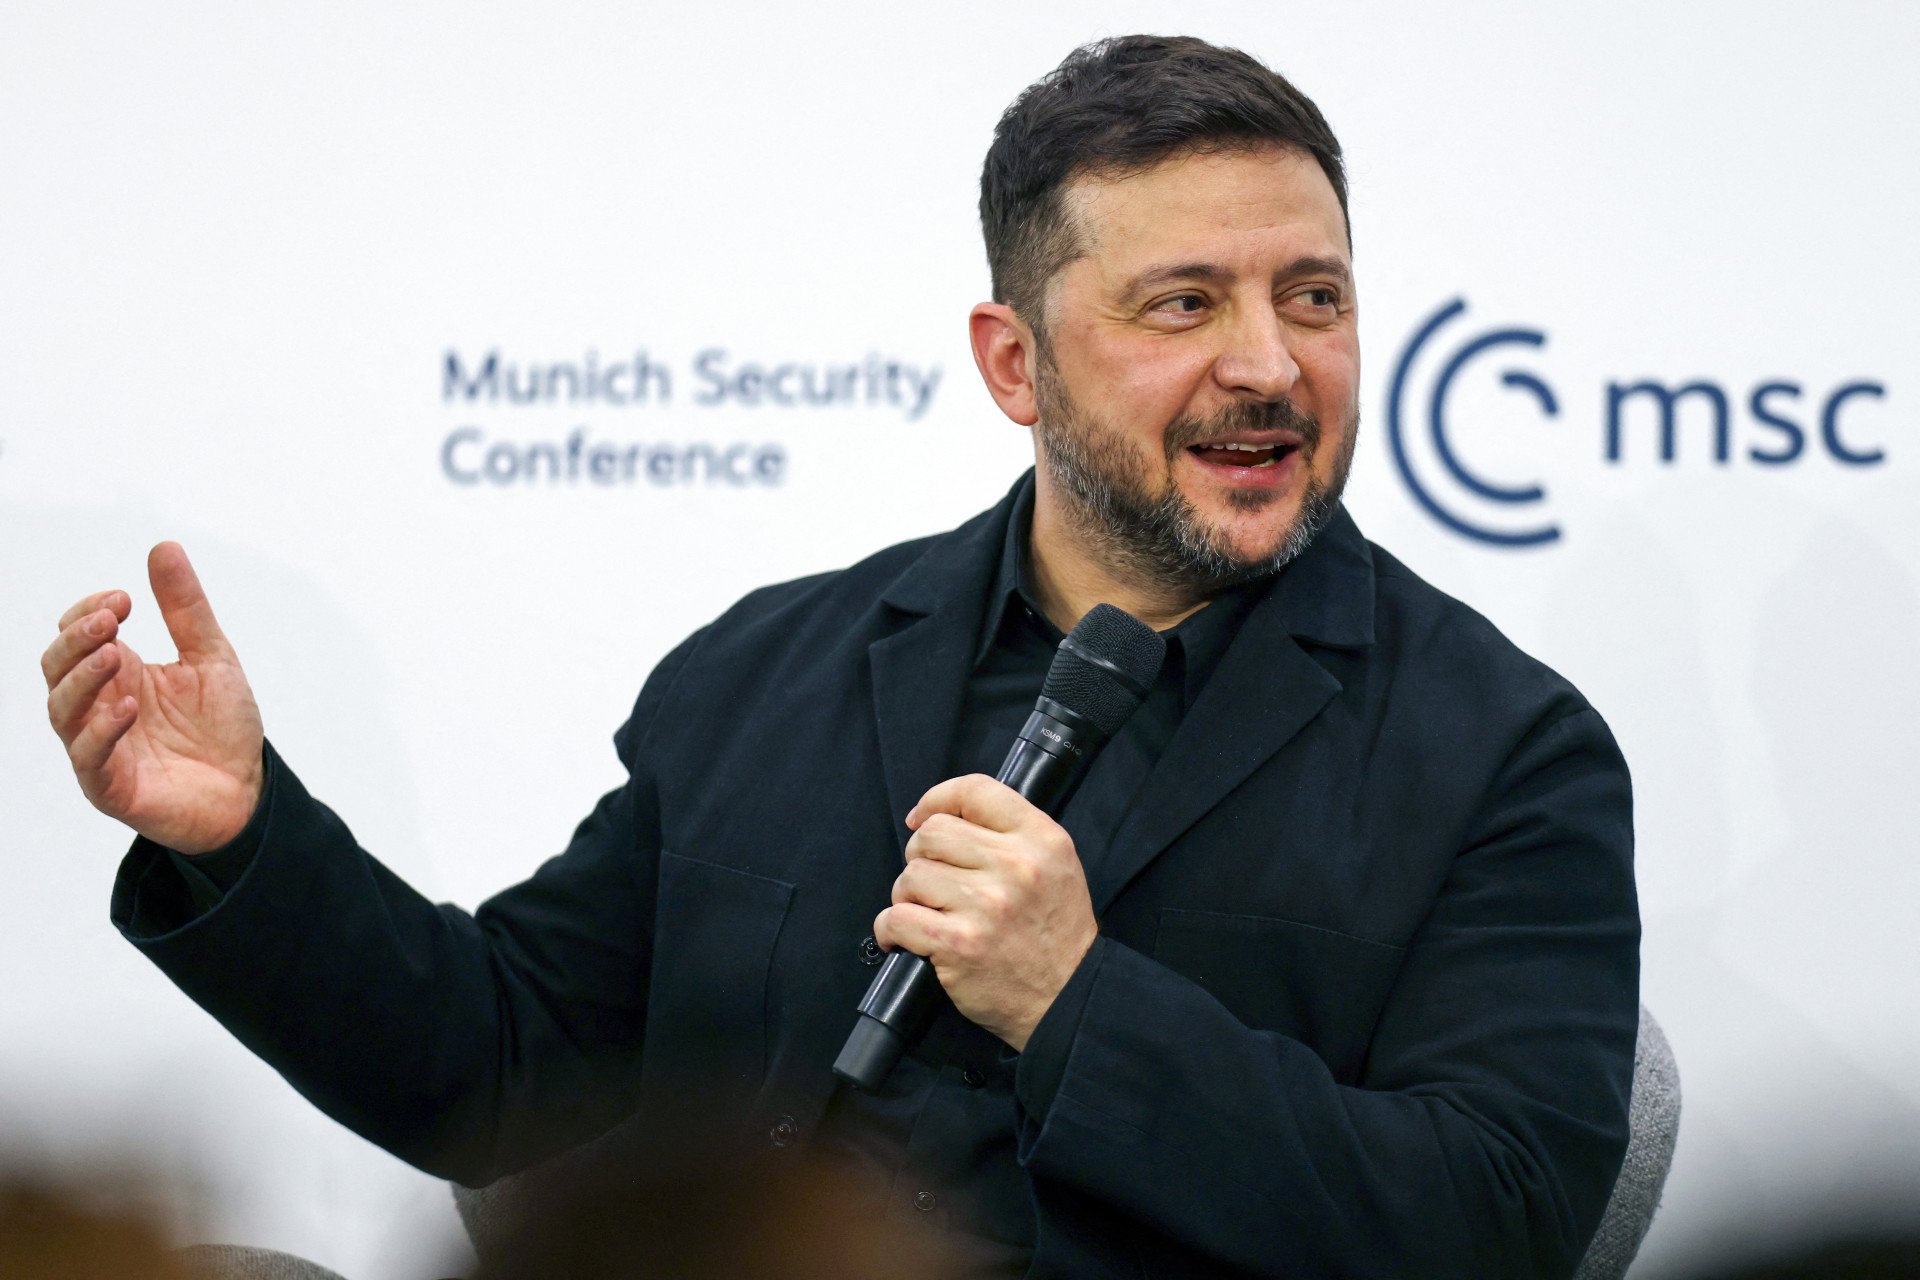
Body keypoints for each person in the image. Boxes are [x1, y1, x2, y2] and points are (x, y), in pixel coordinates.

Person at [40, 34, 1639, 1279]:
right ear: (1014, 364)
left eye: (1314, 297)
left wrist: (1075, 1004)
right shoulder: (770, 672)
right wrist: (242, 838)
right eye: (1182, 305)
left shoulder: (1504, 753)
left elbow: (1495, 1223)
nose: (1270, 364)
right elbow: (502, 1069)